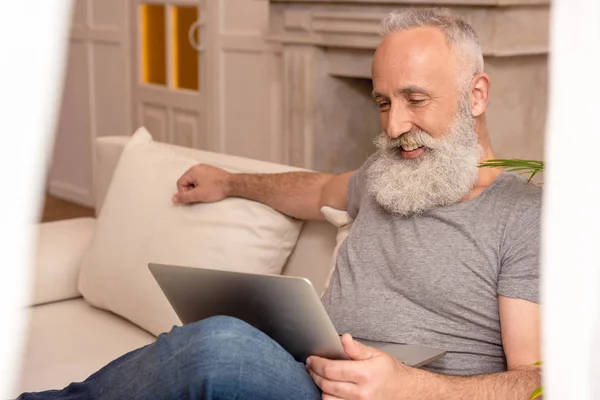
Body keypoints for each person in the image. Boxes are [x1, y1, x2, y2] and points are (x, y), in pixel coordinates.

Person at [19, 7, 541, 400]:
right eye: (383, 102)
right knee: (206, 338)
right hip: (311, 375)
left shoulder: (523, 216)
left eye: (416, 100)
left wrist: (409, 386)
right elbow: (318, 192)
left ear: (476, 94)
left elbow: (542, 381)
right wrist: (231, 182)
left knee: (220, 344)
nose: (393, 126)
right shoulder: (391, 174)